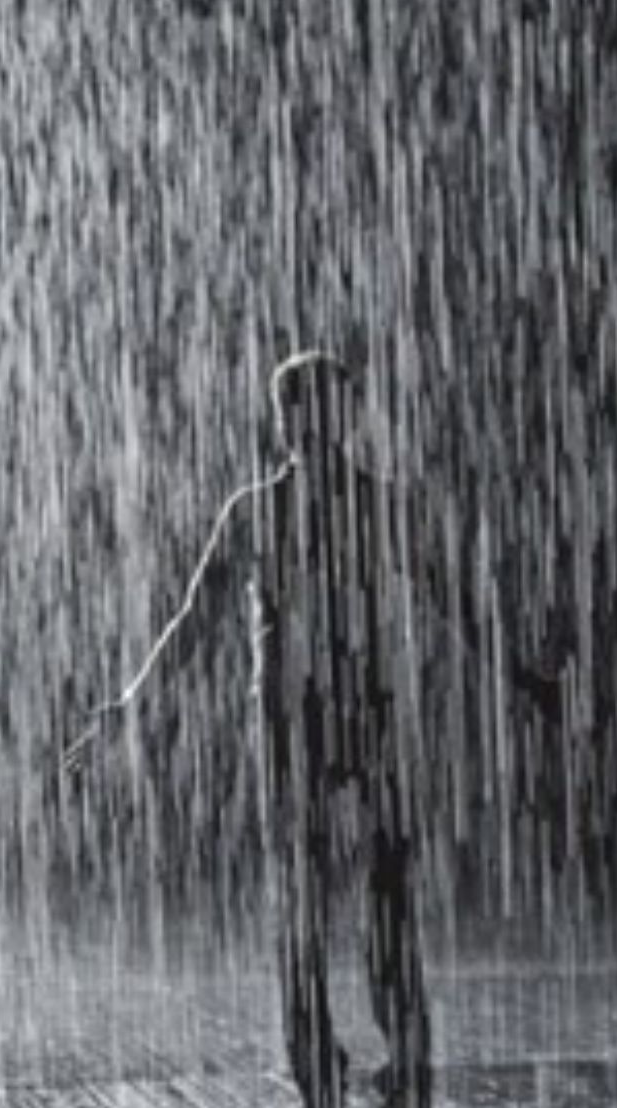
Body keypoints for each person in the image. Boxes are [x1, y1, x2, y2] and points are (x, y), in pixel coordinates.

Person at [64, 352, 429, 1108]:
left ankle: (369, 1056)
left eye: (332, 409)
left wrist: (528, 674)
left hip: (343, 712)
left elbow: (448, 592)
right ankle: (341, 1060)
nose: (324, 427)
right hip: (310, 716)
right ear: (290, 420)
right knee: (324, 894)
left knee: (363, 891)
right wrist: (132, 704)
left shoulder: (358, 505)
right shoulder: (273, 510)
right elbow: (194, 620)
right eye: (313, 411)